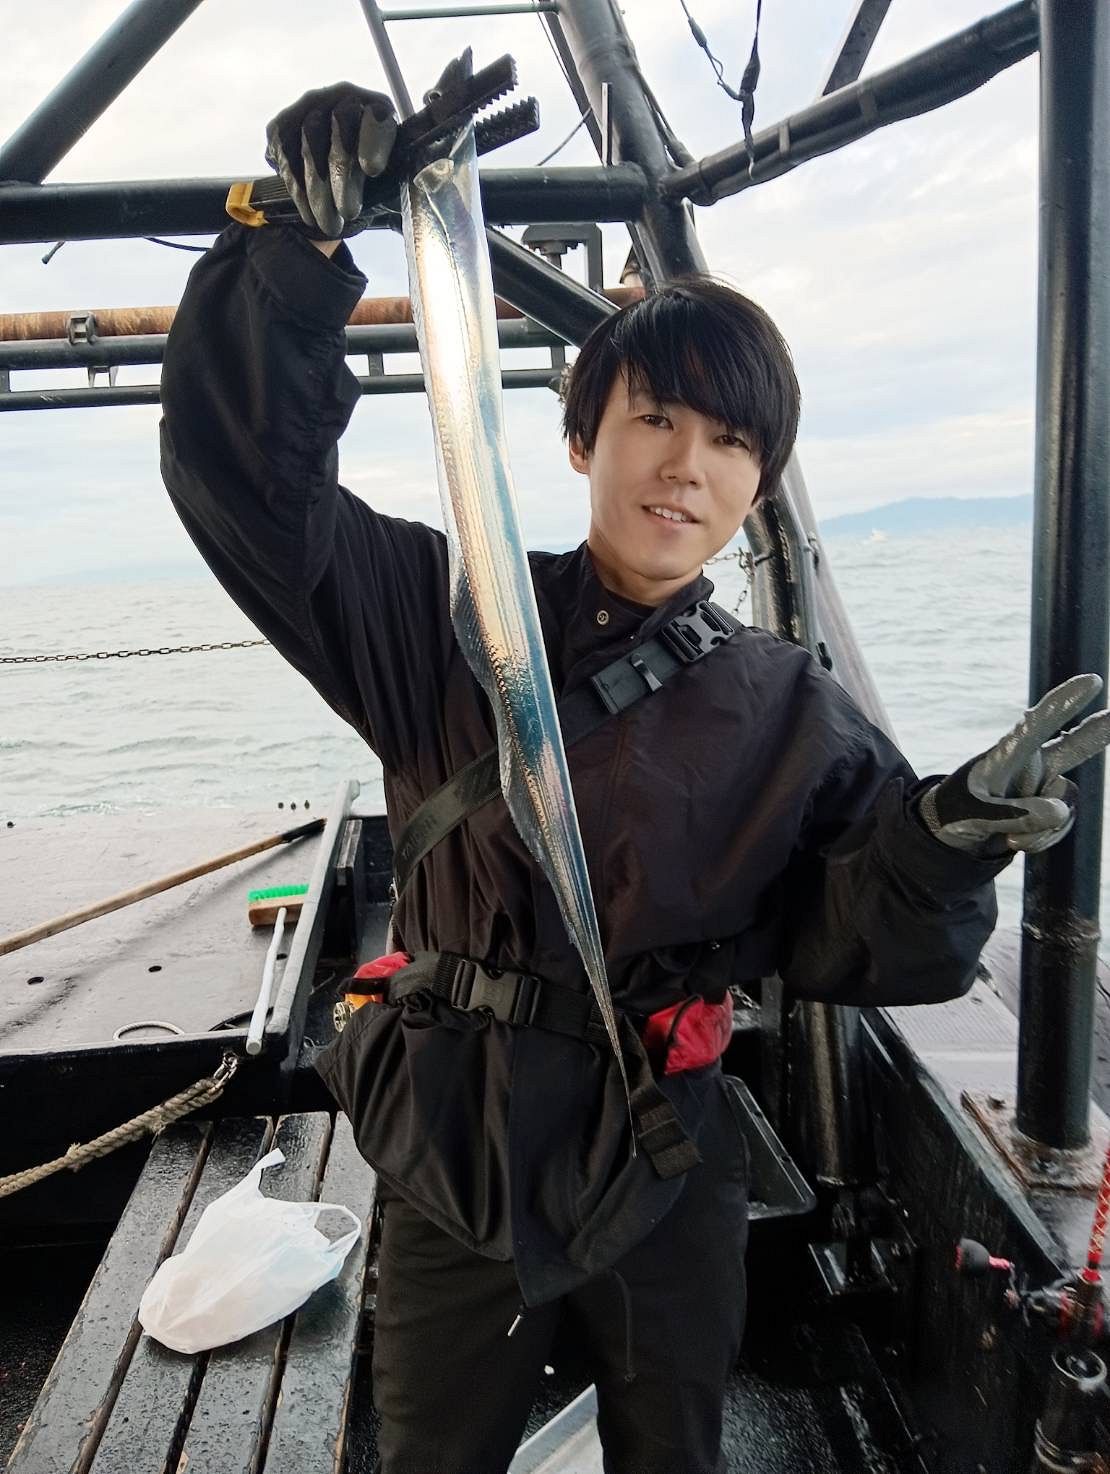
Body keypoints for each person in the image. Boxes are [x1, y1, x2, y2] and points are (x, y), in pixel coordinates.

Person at [159, 81, 1110, 1474]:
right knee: (430, 1454)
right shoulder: (439, 612)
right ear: (580, 436)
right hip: (458, 1144)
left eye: (732, 441)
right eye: (656, 416)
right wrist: (289, 258)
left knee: (673, 1450)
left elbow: (857, 936)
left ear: (759, 481)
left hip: (664, 1150)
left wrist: (948, 838)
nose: (687, 466)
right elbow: (243, 483)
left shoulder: (794, 704)